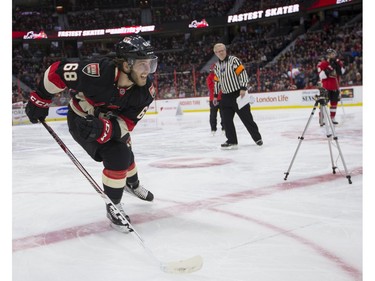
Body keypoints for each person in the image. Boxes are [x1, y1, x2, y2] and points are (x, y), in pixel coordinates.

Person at [25, 35, 158, 232]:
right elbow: (58, 71)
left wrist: (107, 128)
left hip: (109, 122)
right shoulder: (96, 72)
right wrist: (40, 98)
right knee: (119, 154)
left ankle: (133, 184)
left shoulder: (145, 91)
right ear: (126, 65)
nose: (148, 71)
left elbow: (128, 122)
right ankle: (114, 206)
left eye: (150, 64)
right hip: (82, 120)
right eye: (142, 65)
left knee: (125, 147)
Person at [212, 43, 262, 149]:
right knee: (226, 121)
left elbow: (242, 74)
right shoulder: (216, 66)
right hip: (225, 96)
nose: (221, 52)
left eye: (222, 50)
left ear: (225, 50)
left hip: (238, 94)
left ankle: (257, 138)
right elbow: (217, 82)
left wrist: (243, 88)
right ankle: (232, 140)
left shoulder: (234, 60)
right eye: (218, 51)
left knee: (247, 118)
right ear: (215, 53)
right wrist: (216, 95)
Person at [317, 48, 345, 125]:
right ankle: (322, 118)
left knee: (334, 103)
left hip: (335, 87)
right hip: (326, 87)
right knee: (324, 103)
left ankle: (332, 118)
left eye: (334, 54)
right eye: (332, 54)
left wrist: (338, 65)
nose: (334, 55)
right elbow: (321, 76)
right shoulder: (322, 64)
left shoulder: (338, 63)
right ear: (327, 55)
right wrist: (329, 68)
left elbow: (342, 72)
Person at [206, 64, 224, 135]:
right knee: (213, 115)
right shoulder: (209, 77)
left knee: (223, 114)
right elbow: (211, 88)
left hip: (221, 98)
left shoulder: (221, 76)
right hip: (213, 99)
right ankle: (213, 129)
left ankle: (224, 128)